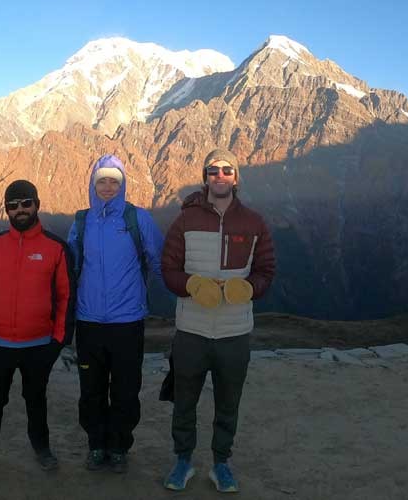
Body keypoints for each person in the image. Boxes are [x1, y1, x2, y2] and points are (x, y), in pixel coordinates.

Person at [161, 149, 276, 493]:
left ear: (236, 177)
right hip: (191, 330)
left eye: (227, 170)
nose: (220, 176)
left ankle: (221, 463)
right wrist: (192, 284)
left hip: (234, 332)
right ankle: (183, 461)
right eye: (214, 170)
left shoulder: (254, 223)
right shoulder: (184, 221)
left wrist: (248, 288)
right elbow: (168, 271)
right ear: (205, 176)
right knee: (184, 401)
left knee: (229, 403)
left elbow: (266, 271)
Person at [0, 180, 75, 477]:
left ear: (37, 204)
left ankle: (42, 449)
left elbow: (67, 296)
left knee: (36, 400)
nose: (20, 210)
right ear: (6, 210)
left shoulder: (56, 248)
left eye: (26, 203)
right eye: (13, 205)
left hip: (39, 345)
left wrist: (57, 342)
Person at [66, 154, 164, 473]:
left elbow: (158, 260)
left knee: (125, 389)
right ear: (93, 185)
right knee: (91, 390)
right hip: (89, 320)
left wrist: (183, 291)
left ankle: (119, 446)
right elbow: (67, 268)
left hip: (127, 322)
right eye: (102, 181)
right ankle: (97, 444)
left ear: (122, 186)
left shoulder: (138, 219)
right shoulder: (81, 223)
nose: (108, 187)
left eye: (114, 181)